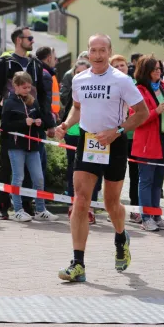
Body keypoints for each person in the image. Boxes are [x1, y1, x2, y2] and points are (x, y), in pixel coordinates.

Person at [54, 34, 149, 282]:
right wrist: (65, 124)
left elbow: (142, 113)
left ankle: (120, 236)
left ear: (109, 51)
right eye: (93, 50)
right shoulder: (79, 79)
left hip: (114, 143)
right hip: (88, 141)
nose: (97, 55)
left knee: (111, 203)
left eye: (102, 50)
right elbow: (77, 107)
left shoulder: (122, 81)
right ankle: (78, 263)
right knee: (81, 200)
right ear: (88, 52)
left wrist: (117, 132)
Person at [0, 26, 48, 220]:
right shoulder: (4, 63)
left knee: (33, 171)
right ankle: (2, 207)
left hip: (33, 128)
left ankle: (29, 208)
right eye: (29, 38)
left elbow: (44, 95)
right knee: (7, 168)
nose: (32, 41)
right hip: (12, 130)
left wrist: (47, 122)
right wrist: (4, 117)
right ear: (18, 40)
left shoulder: (35, 64)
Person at [133, 55, 164, 232]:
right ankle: (146, 217)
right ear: (146, 71)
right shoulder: (138, 90)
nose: (158, 71)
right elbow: (137, 118)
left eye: (159, 69)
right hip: (148, 141)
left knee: (158, 181)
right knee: (146, 180)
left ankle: (156, 215)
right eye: (155, 69)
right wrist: (156, 111)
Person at [1, 71, 59, 222]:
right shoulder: (9, 102)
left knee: (38, 178)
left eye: (29, 87)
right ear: (16, 86)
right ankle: (18, 210)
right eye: (24, 88)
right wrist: (22, 123)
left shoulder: (33, 101)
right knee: (18, 177)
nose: (28, 90)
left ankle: (40, 210)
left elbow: (39, 119)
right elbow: (5, 126)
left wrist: (39, 123)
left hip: (33, 146)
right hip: (16, 146)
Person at [62, 59, 102, 224]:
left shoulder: (98, 89)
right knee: (74, 171)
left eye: (83, 72)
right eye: (77, 73)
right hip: (73, 134)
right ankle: (75, 206)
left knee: (93, 172)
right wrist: (64, 125)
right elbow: (71, 109)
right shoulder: (75, 89)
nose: (80, 75)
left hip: (94, 135)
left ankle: (90, 208)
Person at [110, 54, 141, 223]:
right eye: (116, 66)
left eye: (122, 65)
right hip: (115, 136)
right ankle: (113, 208)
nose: (120, 68)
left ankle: (135, 210)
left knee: (135, 175)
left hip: (134, 136)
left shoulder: (134, 85)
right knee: (116, 175)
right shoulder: (108, 85)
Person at [34, 46, 58, 173]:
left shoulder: (35, 70)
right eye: (55, 58)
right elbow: (45, 102)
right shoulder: (45, 74)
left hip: (35, 121)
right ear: (49, 58)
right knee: (39, 165)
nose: (56, 61)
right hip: (39, 124)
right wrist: (50, 125)